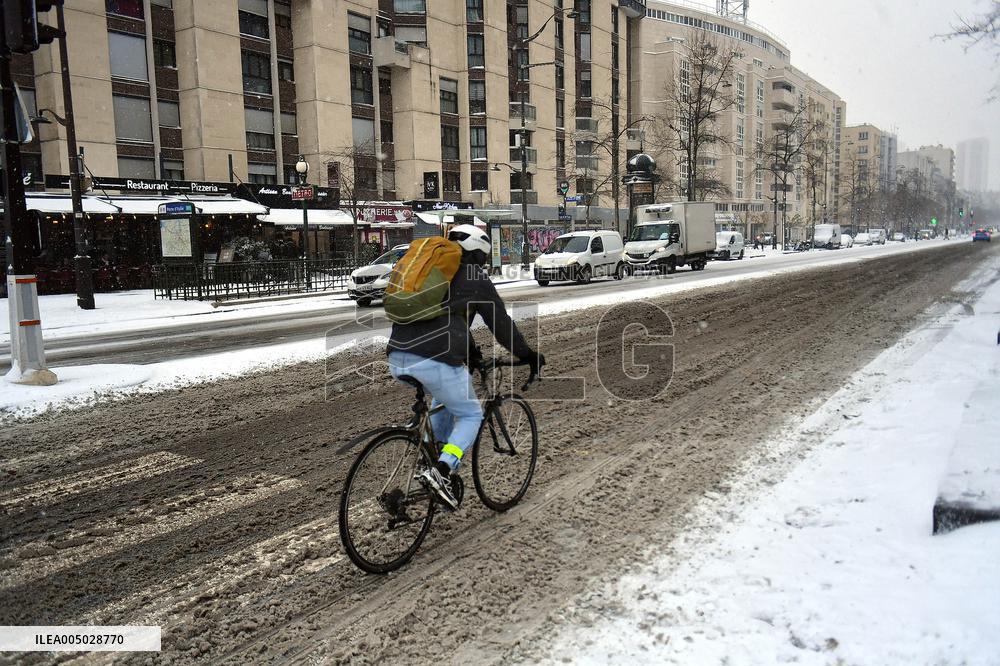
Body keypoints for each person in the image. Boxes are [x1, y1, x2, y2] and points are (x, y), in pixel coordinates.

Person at [386, 224, 544, 510]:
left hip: (397, 356)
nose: (482, 265)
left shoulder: (431, 273)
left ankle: (429, 461)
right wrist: (528, 354)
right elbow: (501, 324)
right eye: (483, 259)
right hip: (435, 359)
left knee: (446, 401)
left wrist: (472, 354)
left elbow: (452, 319)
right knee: (471, 414)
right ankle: (442, 469)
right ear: (477, 254)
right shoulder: (474, 276)